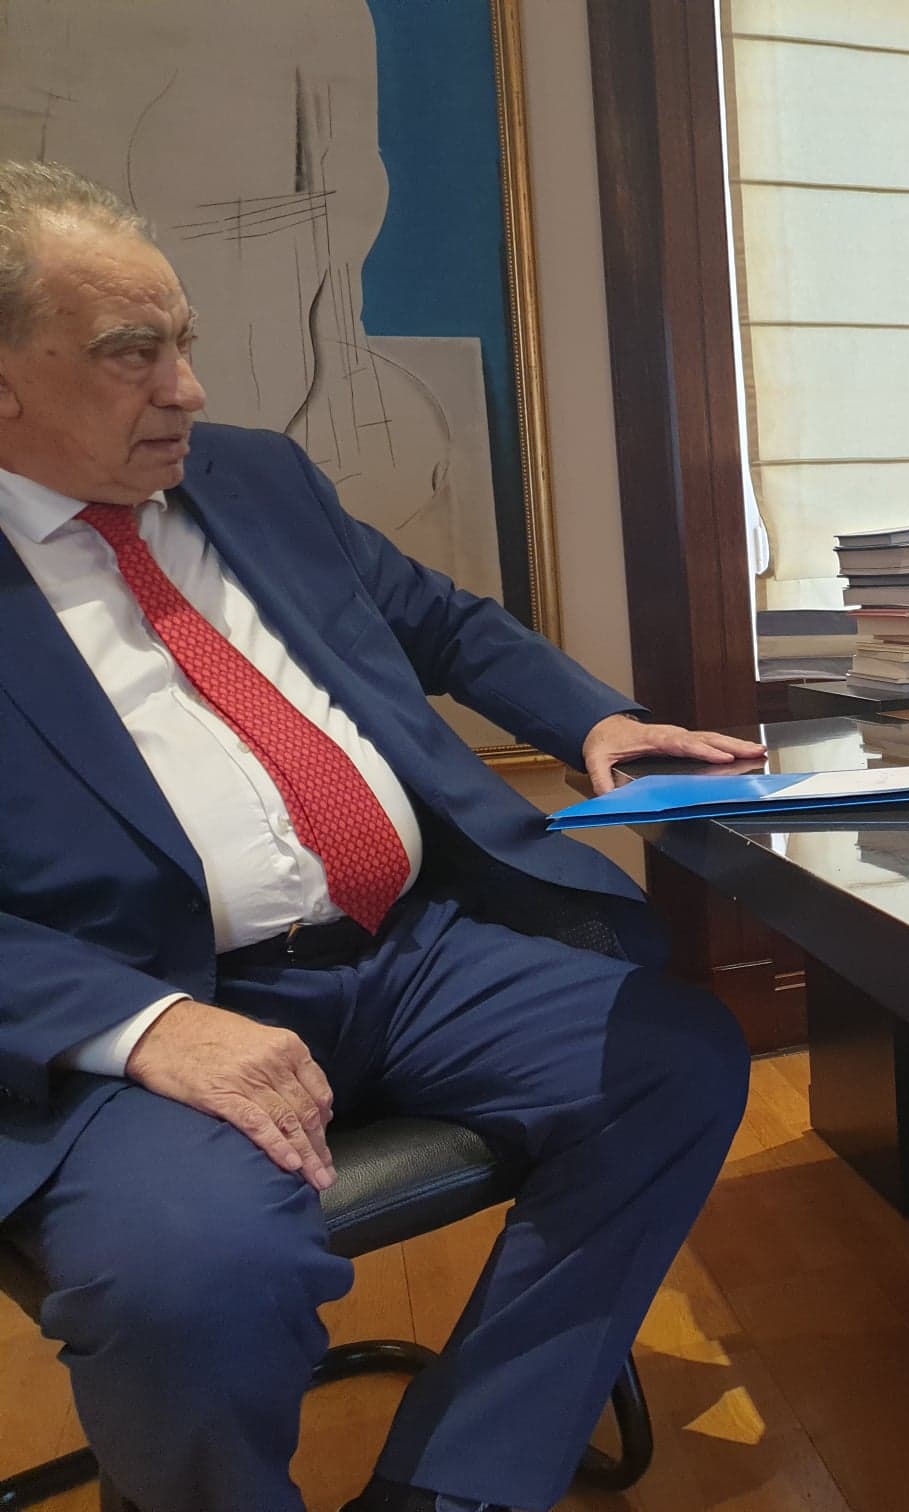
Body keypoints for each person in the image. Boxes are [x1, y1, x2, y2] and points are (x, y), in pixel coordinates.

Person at [0, 159, 764, 1512]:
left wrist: (595, 717)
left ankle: (460, 1486)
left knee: (673, 1061)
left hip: (402, 954)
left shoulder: (256, 479)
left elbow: (441, 621)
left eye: (183, 342)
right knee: (194, 1278)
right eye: (131, 353)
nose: (187, 389)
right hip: (134, 1010)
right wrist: (147, 1026)